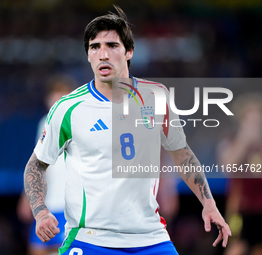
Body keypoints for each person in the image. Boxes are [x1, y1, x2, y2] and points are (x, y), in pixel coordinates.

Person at [24, 6, 231, 255]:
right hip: (91, 240)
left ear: (129, 51)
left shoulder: (156, 97)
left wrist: (208, 203)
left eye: (111, 45)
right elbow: (36, 165)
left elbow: (181, 154)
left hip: (150, 237)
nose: (102, 54)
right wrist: (40, 210)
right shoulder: (68, 108)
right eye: (94, 47)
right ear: (88, 55)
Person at [18, 75, 76, 255]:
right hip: (48, 204)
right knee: (37, 250)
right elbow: (39, 164)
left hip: (71, 205)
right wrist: (26, 197)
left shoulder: (78, 123)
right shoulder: (44, 123)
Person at [217, 93, 262, 255]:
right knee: (237, 246)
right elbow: (227, 165)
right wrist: (245, 140)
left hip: (260, 207)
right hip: (239, 208)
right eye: (250, 121)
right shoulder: (231, 141)